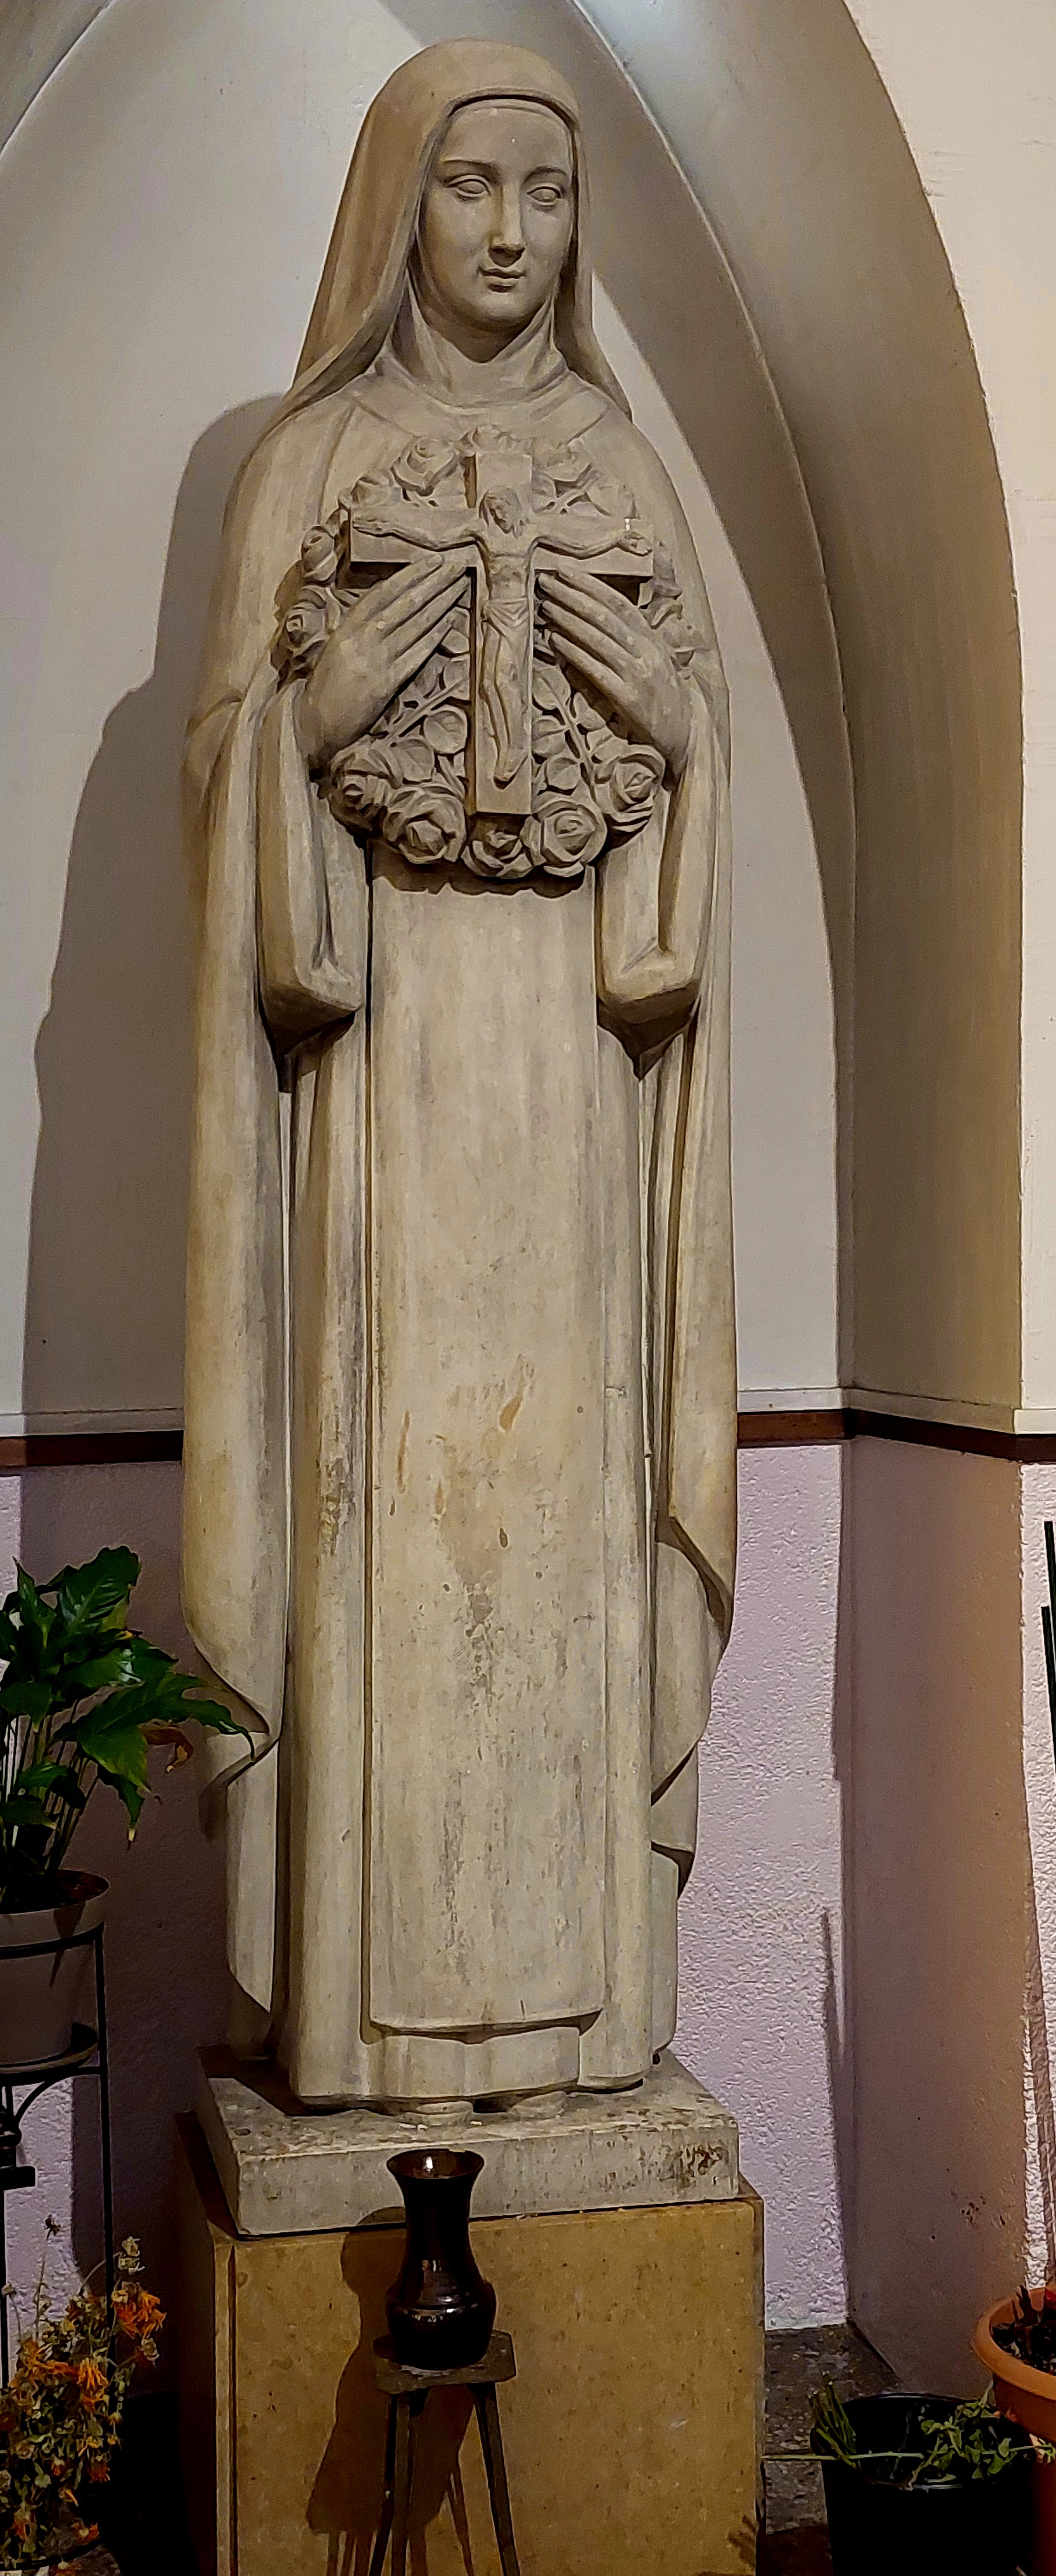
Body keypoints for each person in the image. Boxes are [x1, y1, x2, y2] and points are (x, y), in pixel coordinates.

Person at [182, 41, 736, 2108]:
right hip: (381, 1113)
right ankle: (367, 2028)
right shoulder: (309, 470)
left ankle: (578, 2018)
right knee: (387, 1528)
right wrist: (313, 715)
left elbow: (692, 857)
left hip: (572, 1121)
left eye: (549, 194)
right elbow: (229, 799)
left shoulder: (625, 469)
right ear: (396, 206)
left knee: (557, 1528)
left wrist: (672, 731)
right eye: (471, 187)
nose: (512, 234)